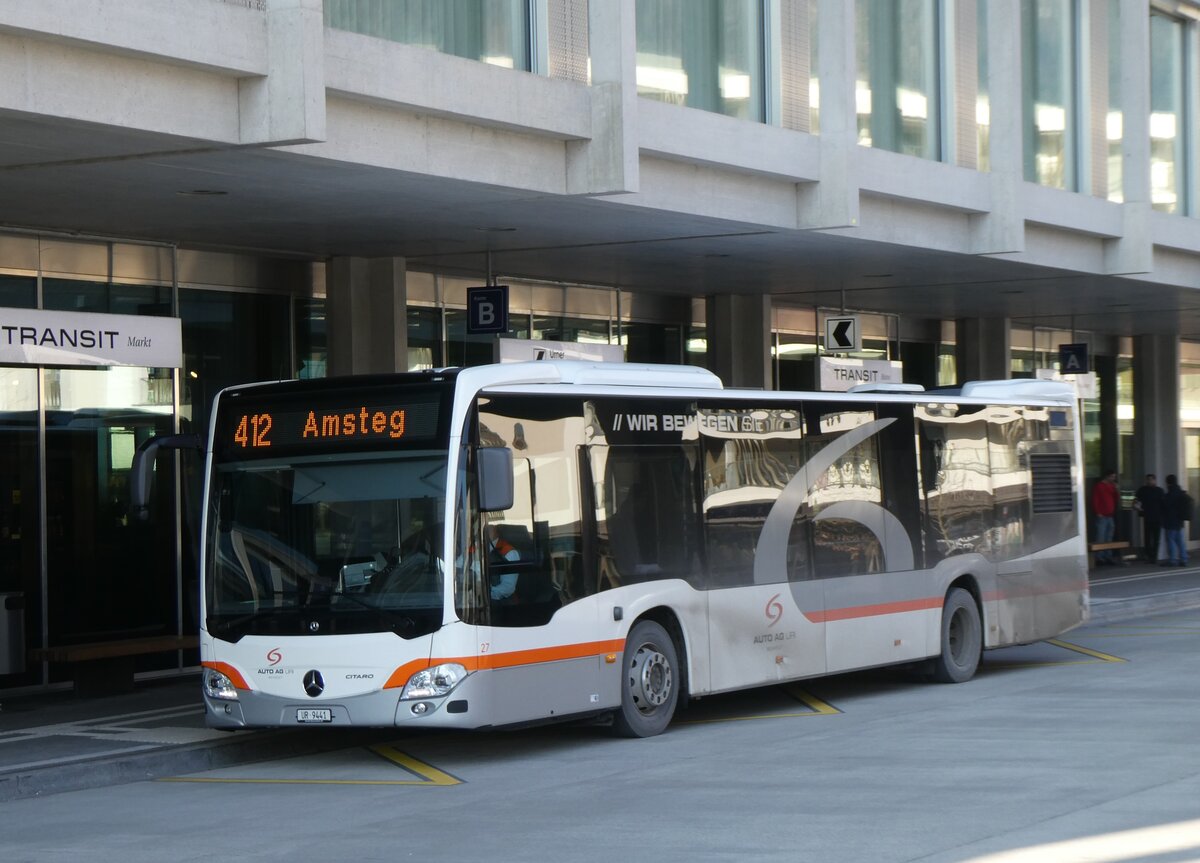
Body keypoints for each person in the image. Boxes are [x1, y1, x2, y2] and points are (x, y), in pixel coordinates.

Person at [1091, 469, 1125, 566]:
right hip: (1102, 515)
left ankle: (1107, 556)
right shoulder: (1099, 486)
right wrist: (1097, 512)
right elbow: (1095, 499)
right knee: (1101, 536)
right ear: (1107, 476)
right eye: (1112, 477)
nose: (1113, 479)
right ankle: (1099, 557)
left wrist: (1116, 490)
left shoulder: (1111, 486)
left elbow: (1116, 498)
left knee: (1109, 536)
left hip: (1110, 515)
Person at [1160, 475, 1193, 567]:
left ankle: (1172, 560)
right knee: (1180, 541)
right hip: (1180, 521)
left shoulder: (1169, 495)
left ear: (1167, 483)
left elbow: (1166, 506)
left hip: (1170, 521)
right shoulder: (1180, 492)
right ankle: (1184, 559)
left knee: (1171, 540)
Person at [1134, 474, 1165, 563]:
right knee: (1147, 538)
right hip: (1147, 516)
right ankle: (1149, 555)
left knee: (1155, 538)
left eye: (1151, 480)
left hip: (1157, 517)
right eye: (1148, 480)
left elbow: (1163, 504)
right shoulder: (1143, 490)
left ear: (1155, 480)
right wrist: (1138, 507)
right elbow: (1136, 500)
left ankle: (1154, 556)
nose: (1149, 481)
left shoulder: (1159, 491)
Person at [487, 524, 521, 601]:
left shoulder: (509, 552)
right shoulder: (475, 547)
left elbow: (507, 588)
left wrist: (485, 594)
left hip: (499, 602)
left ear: (497, 532)